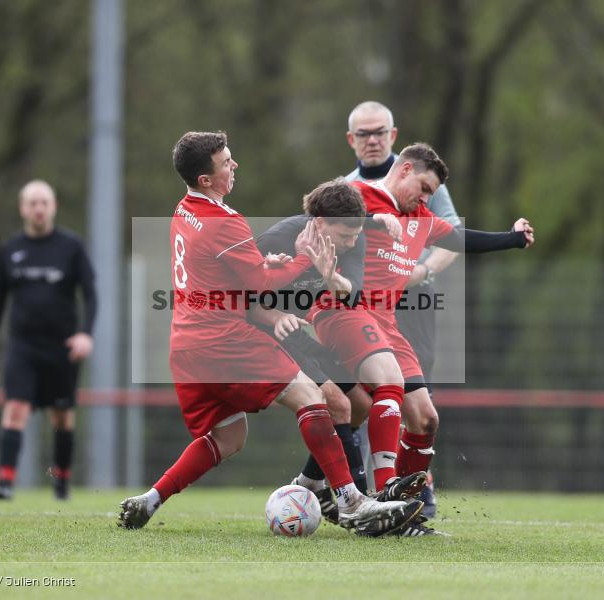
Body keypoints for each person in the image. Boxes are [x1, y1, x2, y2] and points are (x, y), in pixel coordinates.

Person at [117, 131, 423, 536]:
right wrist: (299, 258)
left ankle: (150, 499)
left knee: (229, 437)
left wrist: (279, 267)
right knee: (314, 398)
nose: (234, 165)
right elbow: (259, 284)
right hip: (223, 339)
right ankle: (351, 501)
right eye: (226, 162)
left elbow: (236, 273)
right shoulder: (224, 222)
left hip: (187, 345)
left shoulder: (184, 210)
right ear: (206, 178)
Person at [310, 142, 534, 535]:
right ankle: (382, 506)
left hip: (386, 324)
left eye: (431, 193)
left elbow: (465, 239)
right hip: (345, 310)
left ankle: (398, 508)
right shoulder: (360, 197)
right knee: (380, 389)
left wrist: (511, 238)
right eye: (425, 188)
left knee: (425, 418)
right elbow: (316, 220)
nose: (427, 197)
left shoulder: (424, 219)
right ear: (405, 168)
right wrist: (374, 224)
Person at [251, 178, 423, 525]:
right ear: (318, 223)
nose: (351, 243)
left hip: (294, 333)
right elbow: (238, 300)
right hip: (259, 333)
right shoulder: (275, 240)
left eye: (356, 234)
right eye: (344, 235)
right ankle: (360, 506)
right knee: (338, 402)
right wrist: (275, 314)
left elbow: (351, 293)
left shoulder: (351, 239)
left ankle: (309, 483)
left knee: (361, 404)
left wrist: (332, 277)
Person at [344, 101, 462, 518]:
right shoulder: (346, 187)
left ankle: (413, 494)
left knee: (416, 400)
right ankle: (359, 492)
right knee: (362, 396)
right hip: (361, 306)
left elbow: (455, 233)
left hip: (413, 300)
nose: (372, 140)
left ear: (393, 137)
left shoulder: (423, 174)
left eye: (380, 132)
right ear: (351, 140)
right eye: (364, 134)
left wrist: (422, 271)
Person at [0, 180, 97, 501]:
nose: (39, 208)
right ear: (22, 208)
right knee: (15, 407)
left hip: (62, 348)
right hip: (23, 347)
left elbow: (91, 294)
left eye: (44, 202)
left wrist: (85, 333)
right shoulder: (10, 250)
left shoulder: (72, 247)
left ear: (53, 206)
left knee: (62, 417)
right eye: (32, 203)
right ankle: (4, 482)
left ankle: (61, 481)